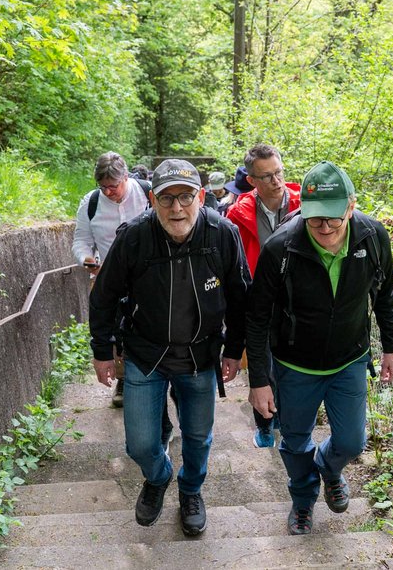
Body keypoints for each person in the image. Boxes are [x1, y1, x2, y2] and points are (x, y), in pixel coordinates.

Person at [229, 160, 393, 536]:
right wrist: (259, 380)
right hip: (295, 365)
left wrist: (392, 348)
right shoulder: (281, 248)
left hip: (349, 360)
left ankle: (328, 468)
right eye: (314, 218)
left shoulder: (372, 238)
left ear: (351, 207)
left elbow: (385, 295)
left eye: (333, 219)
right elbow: (256, 319)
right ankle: (303, 500)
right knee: (294, 441)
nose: (324, 227)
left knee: (353, 441)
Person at [89, 158, 250, 537]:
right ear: (152, 199)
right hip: (146, 355)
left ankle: (191, 490)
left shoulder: (222, 234)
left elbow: (243, 299)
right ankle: (158, 477)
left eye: (185, 197)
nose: (177, 208)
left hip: (200, 356)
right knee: (141, 445)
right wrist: (102, 350)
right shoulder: (134, 237)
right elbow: (104, 297)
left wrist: (234, 350)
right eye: (167, 198)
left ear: (201, 196)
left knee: (198, 436)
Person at [226, 144, 301, 448]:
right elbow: (234, 261)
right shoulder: (237, 214)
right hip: (258, 298)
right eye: (267, 176)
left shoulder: (304, 205)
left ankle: (287, 416)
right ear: (252, 181)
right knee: (263, 362)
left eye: (279, 172)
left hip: (298, 300)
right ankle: (266, 422)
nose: (276, 181)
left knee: (291, 362)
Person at [72, 152, 151, 407]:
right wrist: (86, 259)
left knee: (149, 327)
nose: (108, 192)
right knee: (114, 331)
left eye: (113, 186)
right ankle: (124, 379)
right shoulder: (91, 203)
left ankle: (157, 376)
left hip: (148, 276)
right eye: (102, 187)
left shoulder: (148, 193)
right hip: (109, 276)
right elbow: (82, 240)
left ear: (126, 177)